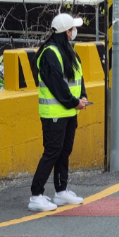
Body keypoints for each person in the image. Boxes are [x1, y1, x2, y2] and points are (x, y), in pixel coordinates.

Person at [28, 13, 88, 212]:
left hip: (69, 112)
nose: (75, 32)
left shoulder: (68, 51)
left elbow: (78, 78)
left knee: (64, 151)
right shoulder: (50, 53)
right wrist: (74, 102)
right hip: (55, 112)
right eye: (72, 29)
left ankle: (61, 191)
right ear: (65, 32)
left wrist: (83, 97)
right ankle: (36, 195)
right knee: (52, 152)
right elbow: (56, 85)